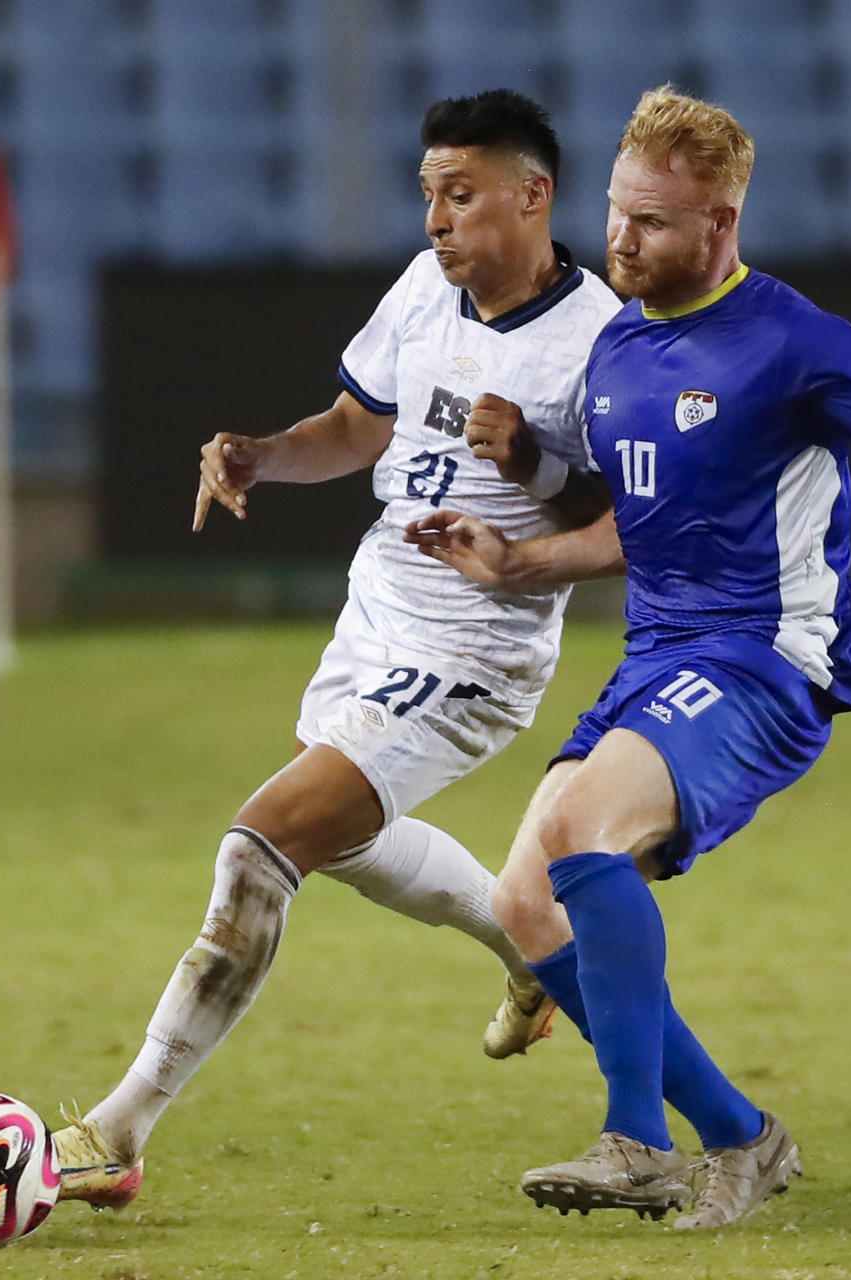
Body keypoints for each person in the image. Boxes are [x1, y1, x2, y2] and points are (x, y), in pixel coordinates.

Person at [406, 86, 851, 1230]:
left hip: (764, 658)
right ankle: (740, 1134)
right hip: (659, 658)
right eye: (620, 213)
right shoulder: (624, 344)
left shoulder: (795, 342)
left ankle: (637, 1139)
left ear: (720, 225)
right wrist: (520, 561)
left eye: (655, 224)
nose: (621, 240)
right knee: (527, 905)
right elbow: (642, 521)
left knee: (582, 833)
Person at [49, 89, 623, 1209]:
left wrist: (540, 473)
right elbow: (358, 426)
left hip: (472, 645)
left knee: (262, 845)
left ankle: (117, 1129)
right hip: (373, 624)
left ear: (532, 194)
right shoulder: (424, 290)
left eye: (460, 196)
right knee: (350, 844)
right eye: (428, 198)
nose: (436, 222)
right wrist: (263, 454)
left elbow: (631, 515)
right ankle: (528, 948)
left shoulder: (599, 340)